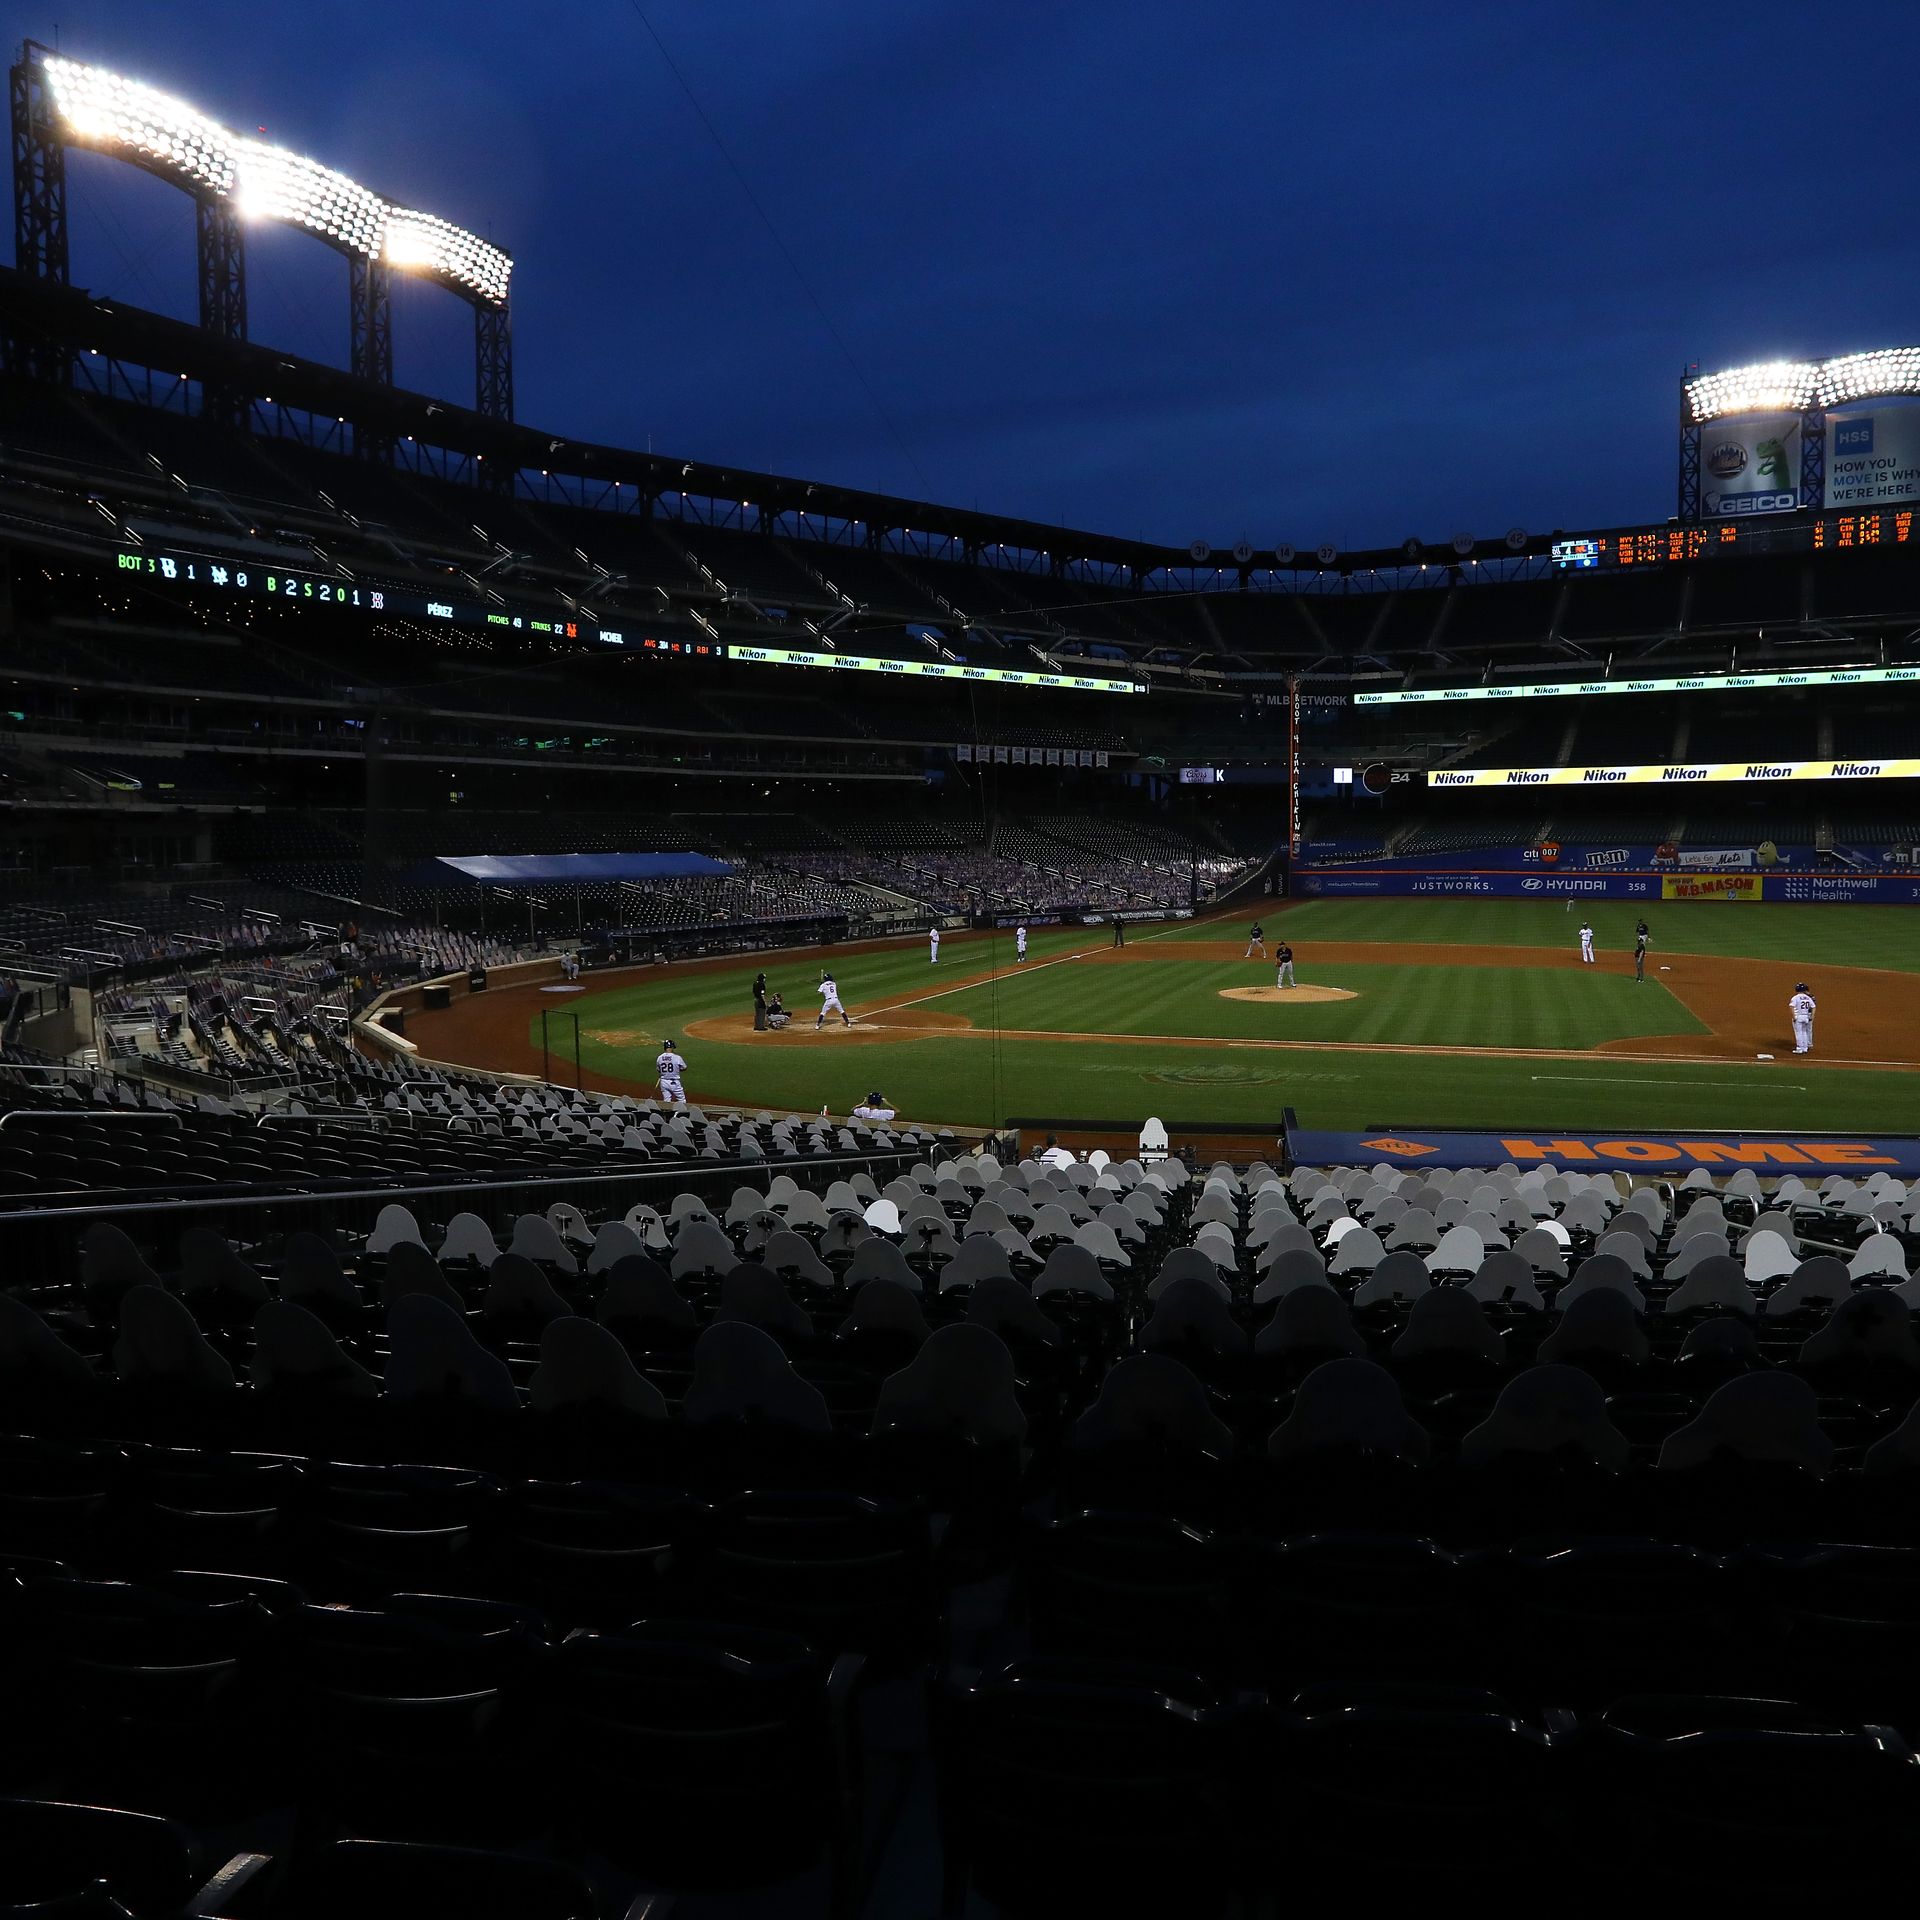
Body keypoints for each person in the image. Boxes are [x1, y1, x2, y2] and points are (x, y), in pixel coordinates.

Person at [656, 1038, 687, 1106]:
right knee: (682, 1100)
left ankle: (667, 1116)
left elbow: (658, 1070)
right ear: (671, 1047)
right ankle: (681, 1115)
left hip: (663, 1082)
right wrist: (677, 1069)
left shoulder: (659, 1058)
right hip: (674, 1083)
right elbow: (684, 1067)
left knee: (666, 1101)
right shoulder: (677, 1057)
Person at [1789, 982, 1816, 1055]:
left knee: (1799, 1033)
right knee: (1804, 1032)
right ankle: (1805, 1048)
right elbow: (1813, 1006)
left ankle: (1799, 1048)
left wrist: (1794, 1016)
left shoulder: (1795, 997)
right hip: (1806, 1016)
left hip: (1799, 1017)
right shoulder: (1808, 997)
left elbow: (1792, 1007)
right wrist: (1812, 1016)